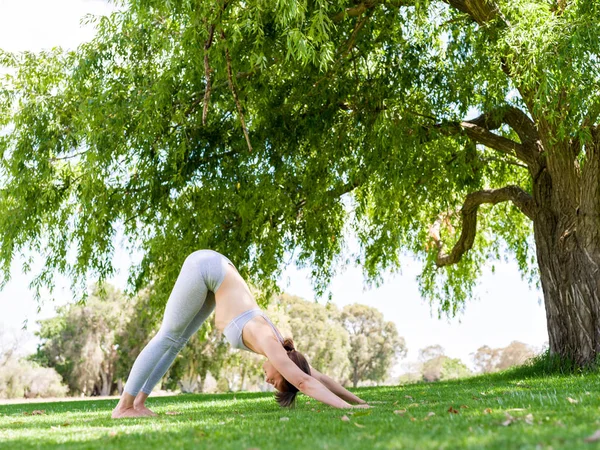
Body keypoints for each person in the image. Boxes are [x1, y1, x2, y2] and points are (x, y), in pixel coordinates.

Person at [112, 249, 367, 418]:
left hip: (215, 273)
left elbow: (318, 378)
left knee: (176, 341)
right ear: (284, 368)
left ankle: (139, 404)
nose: (270, 383)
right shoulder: (271, 343)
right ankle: (124, 406)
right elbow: (303, 382)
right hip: (206, 266)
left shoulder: (282, 349)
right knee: (168, 335)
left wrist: (359, 402)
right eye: (278, 382)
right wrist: (346, 409)